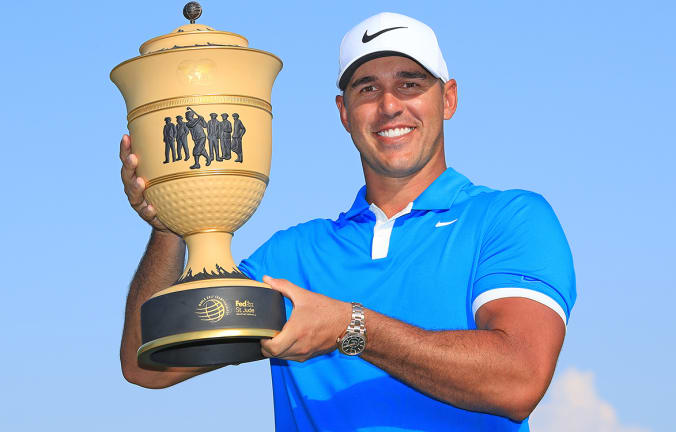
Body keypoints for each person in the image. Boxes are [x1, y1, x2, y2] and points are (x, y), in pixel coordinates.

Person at [118, 12, 575, 431]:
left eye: (410, 84)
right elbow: (147, 363)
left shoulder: (510, 219)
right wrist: (170, 222)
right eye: (367, 89)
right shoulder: (292, 257)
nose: (390, 105)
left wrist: (350, 327)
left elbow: (519, 381)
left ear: (448, 98)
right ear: (344, 112)